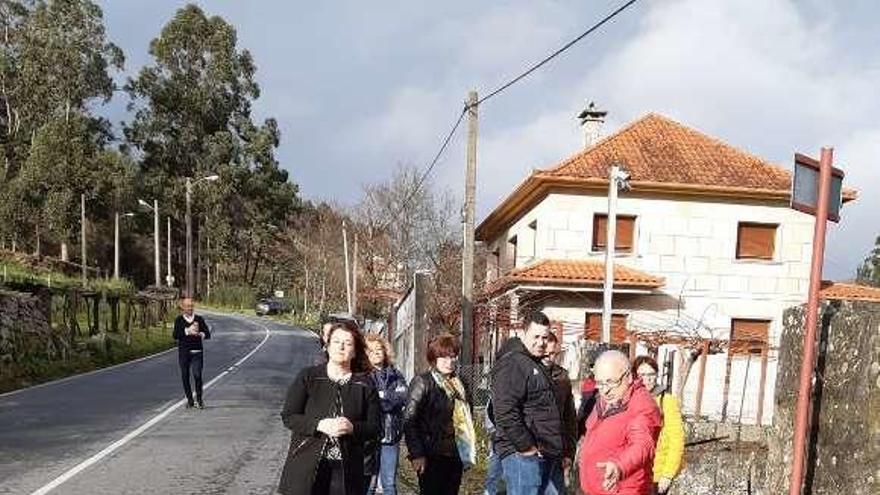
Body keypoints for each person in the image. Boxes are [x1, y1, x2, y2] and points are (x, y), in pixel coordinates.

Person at [278, 323, 381, 495]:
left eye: (347, 343)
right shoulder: (309, 377)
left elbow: (375, 427)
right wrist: (319, 424)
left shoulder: (364, 384)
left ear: (355, 351)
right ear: (327, 346)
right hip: (307, 464)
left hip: (346, 468)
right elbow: (289, 416)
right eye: (336, 341)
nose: (341, 347)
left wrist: (353, 427)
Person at [491, 311, 566, 495]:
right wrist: (526, 447)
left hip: (542, 451)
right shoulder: (514, 363)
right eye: (536, 336)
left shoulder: (533, 363)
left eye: (545, 337)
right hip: (522, 455)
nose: (541, 342)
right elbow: (505, 411)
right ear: (523, 333)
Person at [578, 350, 661, 495]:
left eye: (611, 382)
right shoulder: (607, 399)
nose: (605, 390)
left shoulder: (641, 404)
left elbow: (643, 445)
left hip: (623, 489)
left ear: (628, 377)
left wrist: (619, 466)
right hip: (596, 488)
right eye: (600, 383)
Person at [403, 333, 476, 495]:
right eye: (443, 358)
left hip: (456, 453)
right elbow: (410, 420)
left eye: (453, 357)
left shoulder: (461, 383)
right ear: (434, 358)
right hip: (431, 455)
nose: (449, 362)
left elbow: (468, 414)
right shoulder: (423, 382)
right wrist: (417, 454)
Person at [632, 356, 685, 495]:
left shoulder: (666, 401)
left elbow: (676, 440)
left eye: (651, 375)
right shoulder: (629, 400)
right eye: (642, 375)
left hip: (655, 474)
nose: (647, 379)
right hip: (632, 473)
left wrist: (667, 474)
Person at [365, 333, 408, 495]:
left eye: (379, 349)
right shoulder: (363, 375)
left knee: (389, 483)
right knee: (368, 483)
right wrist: (387, 397)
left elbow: (403, 396)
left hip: (391, 435)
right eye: (371, 350)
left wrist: (382, 396)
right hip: (369, 437)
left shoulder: (396, 374)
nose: (376, 353)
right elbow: (369, 402)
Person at [543, 333, 577, 485]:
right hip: (533, 449)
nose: (550, 359)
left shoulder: (562, 376)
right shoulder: (527, 374)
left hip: (557, 449)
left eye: (553, 354)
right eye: (546, 354)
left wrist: (569, 452)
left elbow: (569, 417)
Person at [172, 298, 211, 409]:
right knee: (185, 376)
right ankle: (190, 400)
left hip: (197, 352)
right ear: (183, 307)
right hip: (184, 352)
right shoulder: (179, 320)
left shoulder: (199, 319)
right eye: (187, 306)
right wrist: (187, 331)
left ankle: (199, 399)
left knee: (197, 375)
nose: (190, 308)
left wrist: (200, 334)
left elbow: (207, 334)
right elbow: (175, 335)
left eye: (191, 306)